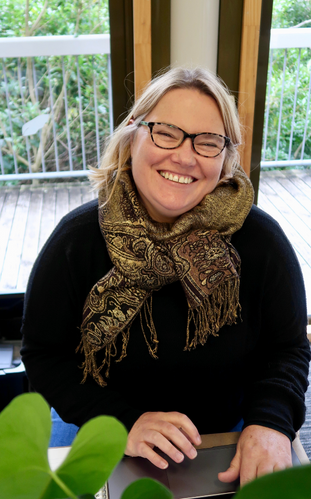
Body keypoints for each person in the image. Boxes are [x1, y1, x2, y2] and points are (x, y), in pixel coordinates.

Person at [21, 67, 310, 486]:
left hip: (226, 427)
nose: (185, 156)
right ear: (132, 136)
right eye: (166, 132)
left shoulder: (262, 242)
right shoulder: (75, 241)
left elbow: (287, 349)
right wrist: (123, 423)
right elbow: (44, 354)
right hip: (97, 414)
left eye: (208, 141)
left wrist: (272, 422)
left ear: (225, 159)